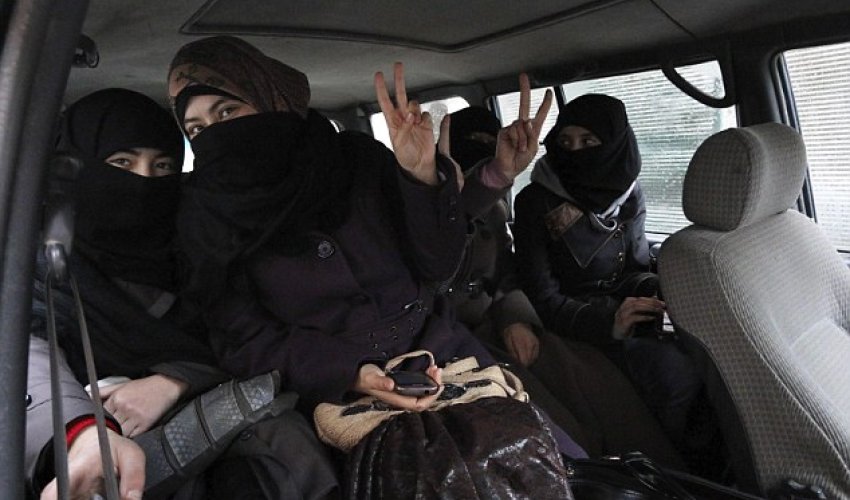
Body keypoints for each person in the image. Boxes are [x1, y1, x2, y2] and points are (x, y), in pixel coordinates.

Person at [165, 36, 591, 486]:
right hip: (338, 388)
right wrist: (348, 372)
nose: (215, 135)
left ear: (271, 99)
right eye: (196, 129)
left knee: (562, 467)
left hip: (444, 350)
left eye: (227, 112)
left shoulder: (354, 158)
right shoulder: (203, 213)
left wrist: (422, 177)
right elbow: (241, 337)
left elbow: (436, 264)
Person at [26, 88, 337, 500]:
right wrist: (80, 432)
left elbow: (249, 336)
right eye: (122, 162)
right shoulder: (39, 260)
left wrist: (175, 381)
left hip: (219, 420)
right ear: (73, 167)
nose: (143, 181)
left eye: (162, 165)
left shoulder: (200, 241)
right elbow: (24, 352)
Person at [441, 105, 683, 464]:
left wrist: (513, 317)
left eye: (490, 145)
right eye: (471, 143)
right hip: (452, 333)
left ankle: (654, 474)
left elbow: (507, 270)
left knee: (596, 382)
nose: (482, 157)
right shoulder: (437, 203)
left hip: (500, 316)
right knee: (545, 408)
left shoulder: (495, 205)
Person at [513, 93, 708, 467]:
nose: (576, 152)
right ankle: (682, 471)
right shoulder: (535, 201)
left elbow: (634, 268)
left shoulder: (628, 191)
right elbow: (543, 297)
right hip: (573, 322)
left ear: (616, 143)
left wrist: (656, 293)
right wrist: (610, 323)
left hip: (623, 309)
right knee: (674, 374)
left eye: (589, 142)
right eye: (566, 142)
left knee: (703, 351)